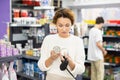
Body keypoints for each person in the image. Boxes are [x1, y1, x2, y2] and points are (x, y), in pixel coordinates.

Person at [37, 8, 85, 80]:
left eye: (67, 25)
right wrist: (51, 58)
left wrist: (70, 62)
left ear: (71, 24)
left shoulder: (77, 41)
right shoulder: (48, 39)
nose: (64, 29)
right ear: (55, 24)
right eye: (60, 25)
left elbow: (81, 69)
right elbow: (41, 66)